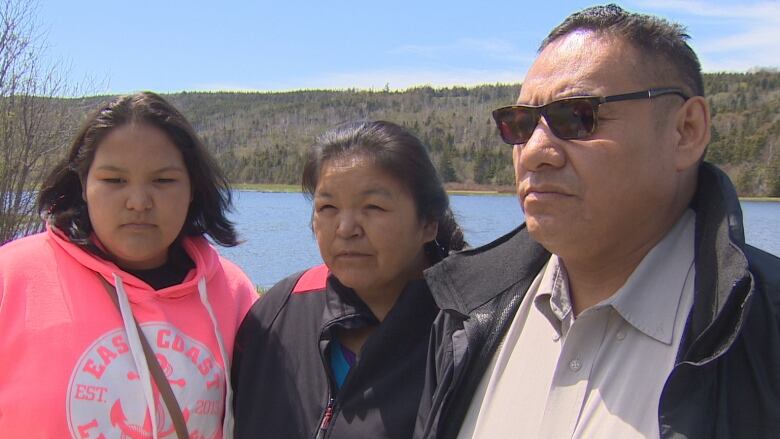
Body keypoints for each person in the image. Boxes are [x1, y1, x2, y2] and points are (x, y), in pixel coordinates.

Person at [416, 4, 780, 439]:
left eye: (576, 117)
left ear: (686, 131)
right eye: (519, 124)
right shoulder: (465, 316)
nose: (533, 152)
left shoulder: (765, 329)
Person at [0, 91, 258, 438]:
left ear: (193, 187)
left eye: (163, 180)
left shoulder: (232, 294)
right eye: (114, 180)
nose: (138, 202)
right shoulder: (13, 276)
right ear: (83, 183)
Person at [232, 120, 466, 438]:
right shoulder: (279, 314)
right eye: (327, 207)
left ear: (428, 223)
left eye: (373, 207)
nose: (345, 228)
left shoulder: (465, 329)